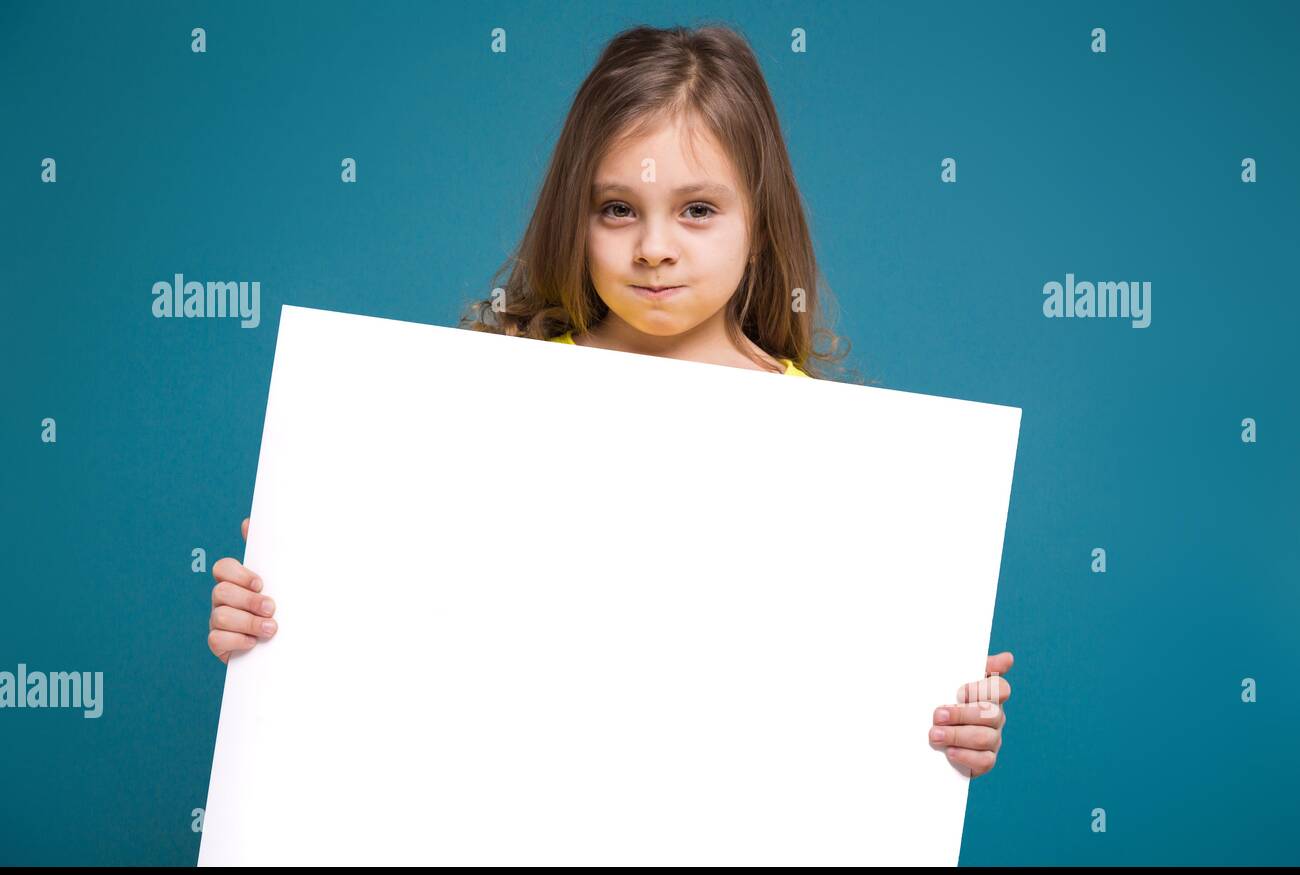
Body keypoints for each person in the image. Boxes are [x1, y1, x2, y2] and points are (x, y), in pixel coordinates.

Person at [207, 23, 1014, 779]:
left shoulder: (844, 460)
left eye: (698, 210)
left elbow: (838, 706)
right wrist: (283, 610)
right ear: (577, 216)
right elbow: (412, 640)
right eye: (618, 208)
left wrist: (949, 732)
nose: (654, 246)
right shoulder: (478, 406)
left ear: (759, 225)